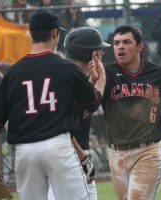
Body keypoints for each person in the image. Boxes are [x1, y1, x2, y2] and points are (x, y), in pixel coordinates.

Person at [0, 9, 106, 200]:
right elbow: (92, 103)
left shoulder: (13, 73)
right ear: (55, 33)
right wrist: (101, 80)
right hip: (58, 146)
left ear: (30, 34)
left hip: (24, 152)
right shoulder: (66, 67)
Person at [90, 25, 161, 200]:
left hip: (148, 151)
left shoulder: (157, 74)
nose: (120, 47)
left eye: (126, 42)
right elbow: (91, 104)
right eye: (116, 43)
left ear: (139, 47)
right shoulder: (106, 72)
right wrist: (94, 81)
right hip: (116, 154)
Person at [47, 27, 110, 200]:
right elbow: (64, 129)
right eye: (98, 51)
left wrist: (92, 81)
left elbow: (82, 106)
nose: (101, 55)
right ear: (89, 54)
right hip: (69, 159)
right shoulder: (67, 78)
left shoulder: (70, 77)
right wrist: (83, 157)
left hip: (68, 158)